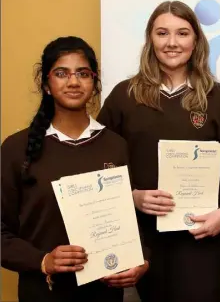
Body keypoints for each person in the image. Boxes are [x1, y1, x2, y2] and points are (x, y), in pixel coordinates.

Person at [97, 0, 220, 302]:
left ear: (196, 41)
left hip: (201, 240)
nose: (171, 43)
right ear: (150, 39)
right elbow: (98, 164)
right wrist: (132, 196)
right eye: (162, 33)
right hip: (143, 239)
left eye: (182, 33)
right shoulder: (124, 96)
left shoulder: (218, 98)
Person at [1, 36, 149, 302]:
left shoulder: (116, 146)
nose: (73, 82)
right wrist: (43, 260)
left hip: (104, 295)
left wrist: (141, 260)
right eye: (61, 73)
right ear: (46, 84)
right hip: (43, 294)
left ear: (94, 83)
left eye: (83, 73)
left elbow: (130, 222)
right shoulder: (15, 149)